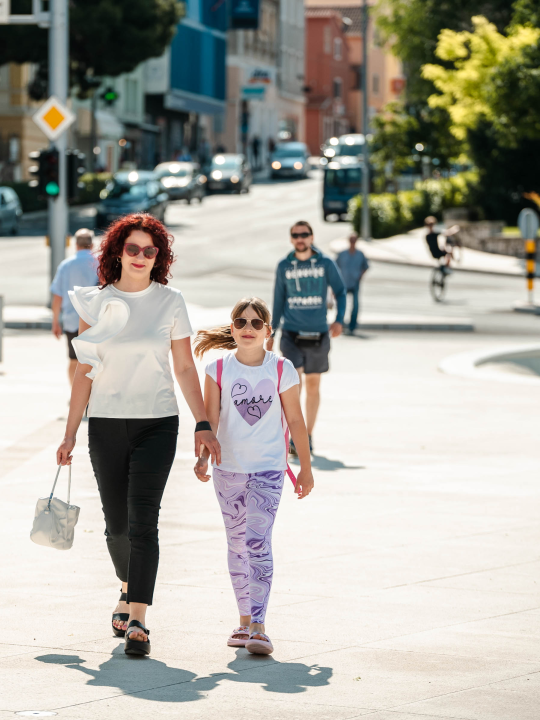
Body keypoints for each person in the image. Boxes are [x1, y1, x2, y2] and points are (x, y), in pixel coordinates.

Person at [56, 213, 221, 657]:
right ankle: (128, 586)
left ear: (158, 257)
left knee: (143, 521)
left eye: (151, 250)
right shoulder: (95, 302)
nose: (141, 256)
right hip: (106, 423)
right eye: (133, 248)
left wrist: (202, 422)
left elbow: (184, 367)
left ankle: (138, 620)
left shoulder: (170, 302)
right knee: (116, 527)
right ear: (118, 251)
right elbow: (84, 371)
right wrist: (69, 434)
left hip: (157, 422)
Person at [193, 297, 314, 656]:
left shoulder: (282, 369)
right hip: (227, 469)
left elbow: (296, 420)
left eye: (256, 323)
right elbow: (210, 420)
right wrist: (202, 458)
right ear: (232, 329)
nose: (248, 328)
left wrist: (306, 468)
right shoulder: (217, 369)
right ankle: (244, 621)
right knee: (236, 544)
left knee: (257, 542)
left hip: (269, 469)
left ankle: (259, 626)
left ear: (268, 331)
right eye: (241, 322)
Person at [267, 220, 346, 454]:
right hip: (291, 334)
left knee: (313, 384)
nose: (300, 239)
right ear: (291, 239)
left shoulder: (325, 263)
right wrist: (272, 332)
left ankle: (308, 435)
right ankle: (294, 435)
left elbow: (340, 291)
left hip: (319, 334)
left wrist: (339, 319)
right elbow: (278, 300)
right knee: (294, 385)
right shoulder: (284, 266)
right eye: (295, 235)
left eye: (304, 234)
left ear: (311, 237)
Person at [50, 229, 100, 386]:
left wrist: (55, 321)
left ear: (76, 244)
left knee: (73, 360)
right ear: (92, 244)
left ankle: (75, 393)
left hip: (72, 320)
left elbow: (57, 296)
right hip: (95, 321)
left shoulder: (66, 265)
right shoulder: (100, 263)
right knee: (94, 361)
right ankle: (91, 394)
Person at [335, 232, 370, 335]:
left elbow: (365, 266)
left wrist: (360, 276)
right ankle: (340, 324)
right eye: (351, 240)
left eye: (354, 240)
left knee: (355, 305)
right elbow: (334, 267)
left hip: (355, 283)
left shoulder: (360, 254)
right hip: (344, 283)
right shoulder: (342, 254)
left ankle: (352, 326)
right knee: (342, 305)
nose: (353, 242)